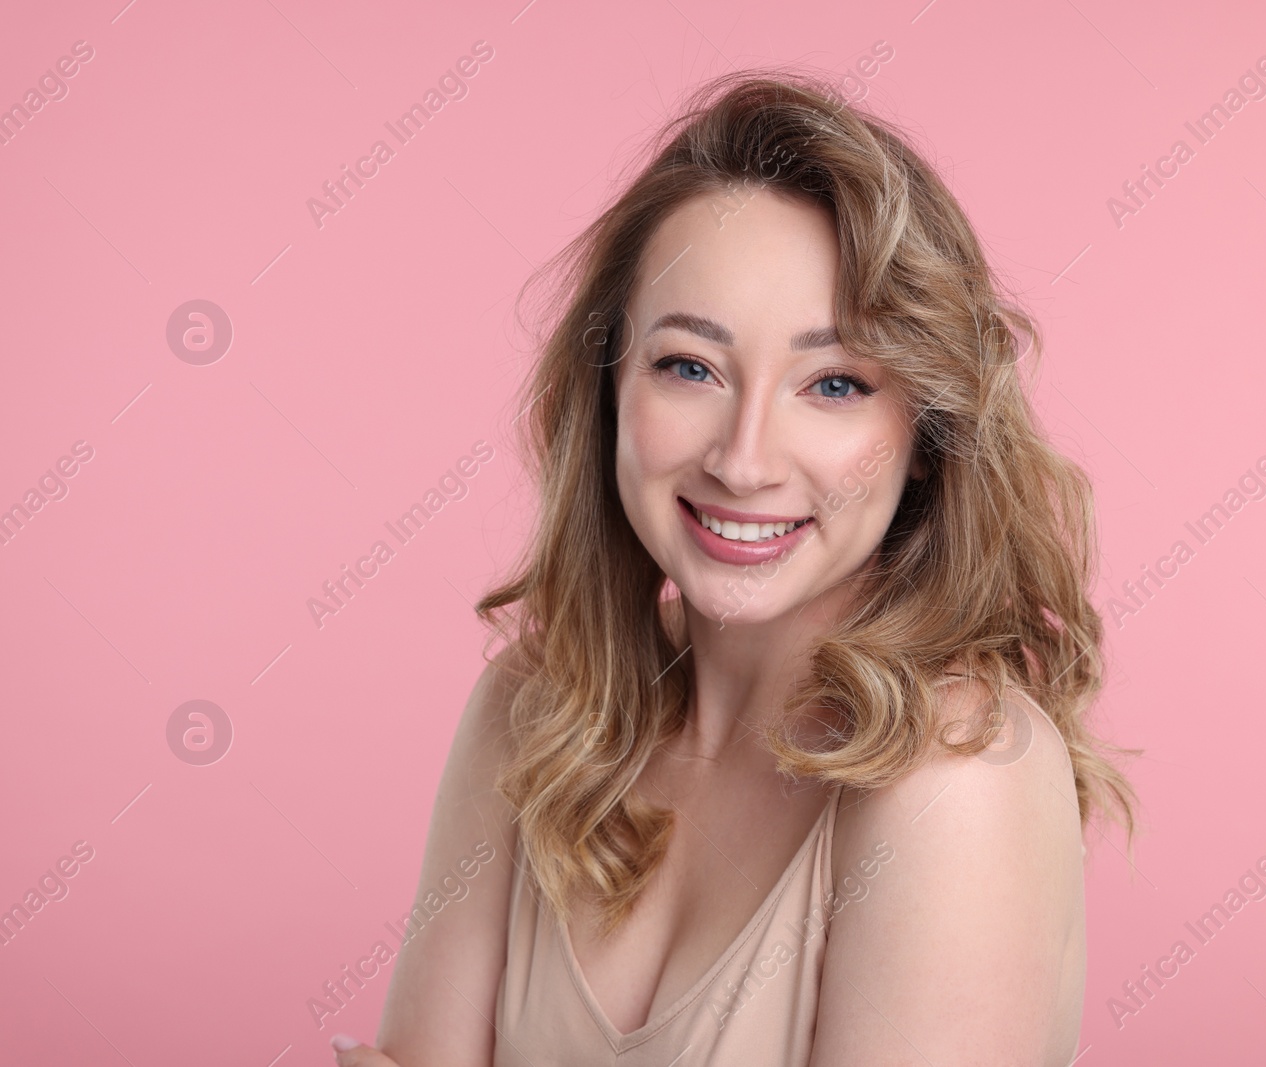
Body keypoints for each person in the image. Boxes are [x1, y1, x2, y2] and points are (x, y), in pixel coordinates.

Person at [330, 69, 1135, 1067]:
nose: (743, 459)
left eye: (834, 381)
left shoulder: (957, 778)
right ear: (610, 386)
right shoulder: (532, 711)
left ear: (927, 430)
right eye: (689, 366)